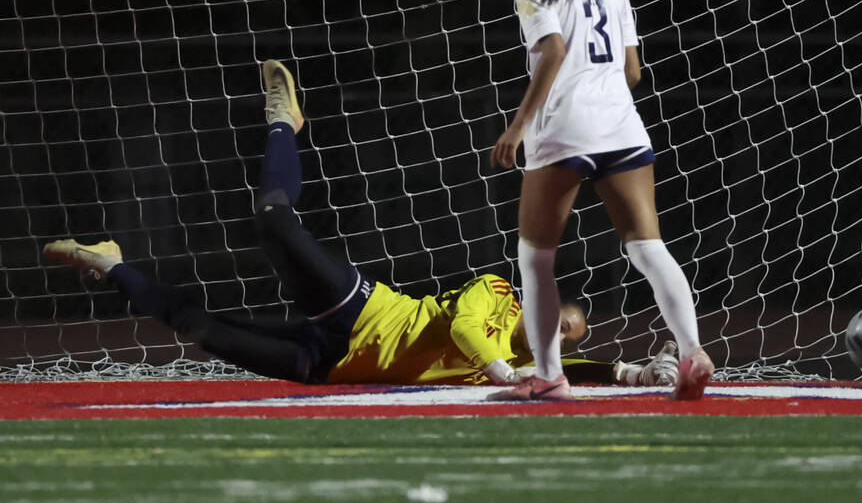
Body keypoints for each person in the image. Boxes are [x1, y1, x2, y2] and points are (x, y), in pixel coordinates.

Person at [43, 60, 679, 389]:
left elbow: (586, 368)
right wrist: (507, 376)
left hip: (328, 367)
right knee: (272, 219)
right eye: (566, 324)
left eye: (569, 339)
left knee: (201, 330)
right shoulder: (500, 296)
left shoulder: (533, 358)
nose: (565, 338)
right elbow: (461, 326)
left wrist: (631, 373)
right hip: (364, 315)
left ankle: (110, 263)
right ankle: (282, 123)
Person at [487, 0, 713, 402]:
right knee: (647, 246)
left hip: (563, 129)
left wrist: (519, 125)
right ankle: (693, 351)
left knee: (536, 258)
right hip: (621, 125)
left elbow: (553, 49)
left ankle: (548, 375)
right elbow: (633, 71)